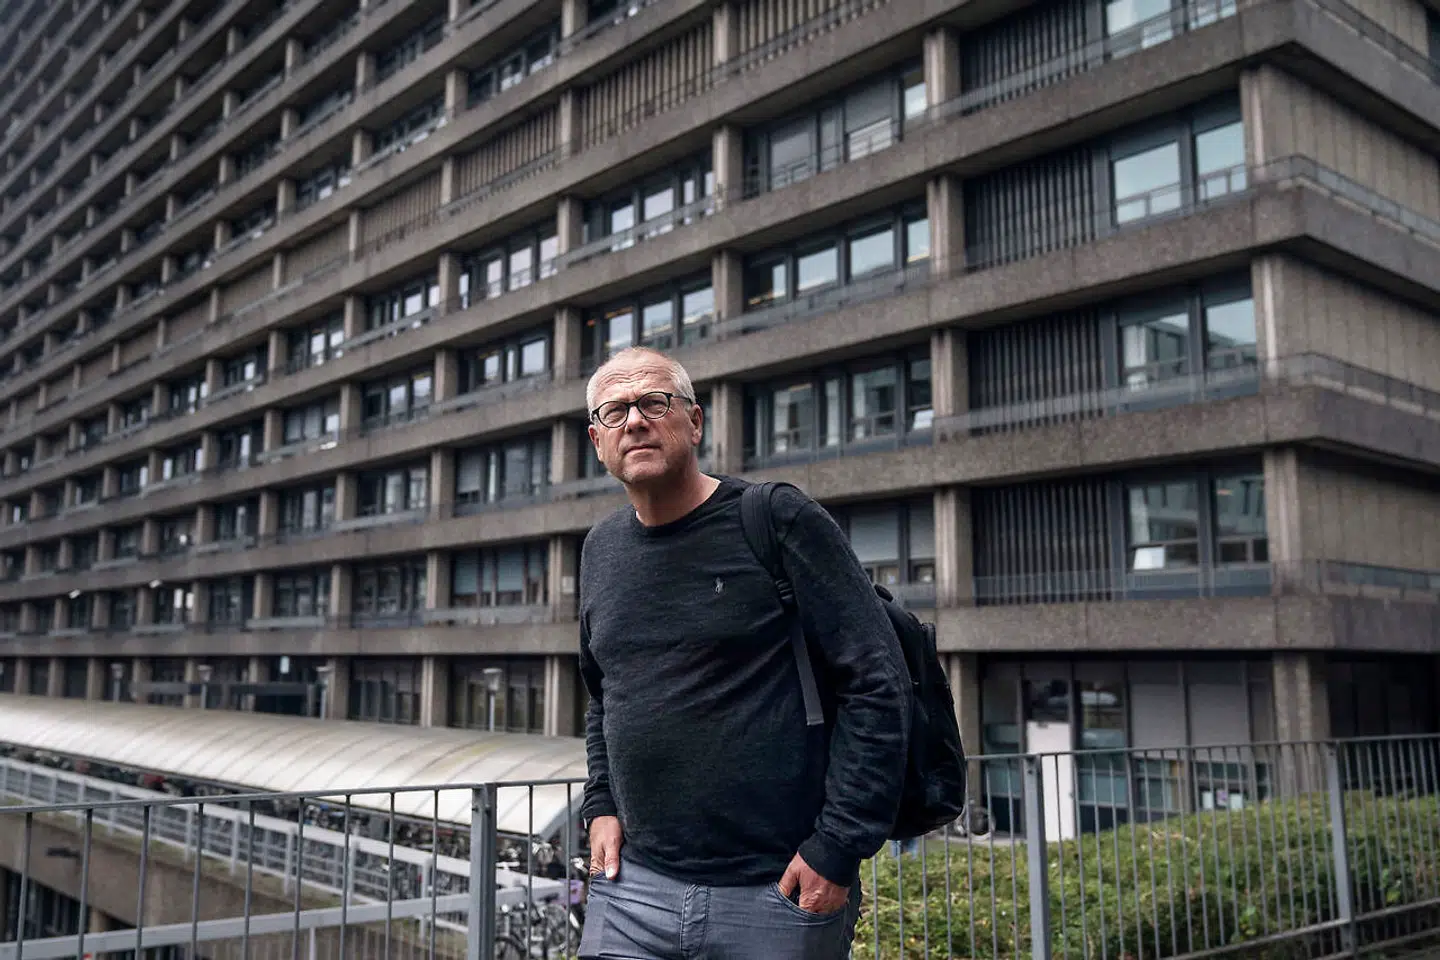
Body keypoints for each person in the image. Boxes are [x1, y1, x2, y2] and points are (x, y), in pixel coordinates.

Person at [575, 346, 911, 960]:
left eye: (655, 403)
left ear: (694, 421)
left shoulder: (777, 519)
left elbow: (877, 682)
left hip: (776, 891)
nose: (636, 421)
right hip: (632, 888)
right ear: (598, 440)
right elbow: (604, 695)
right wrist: (600, 805)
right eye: (615, 411)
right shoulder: (600, 548)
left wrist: (838, 847)